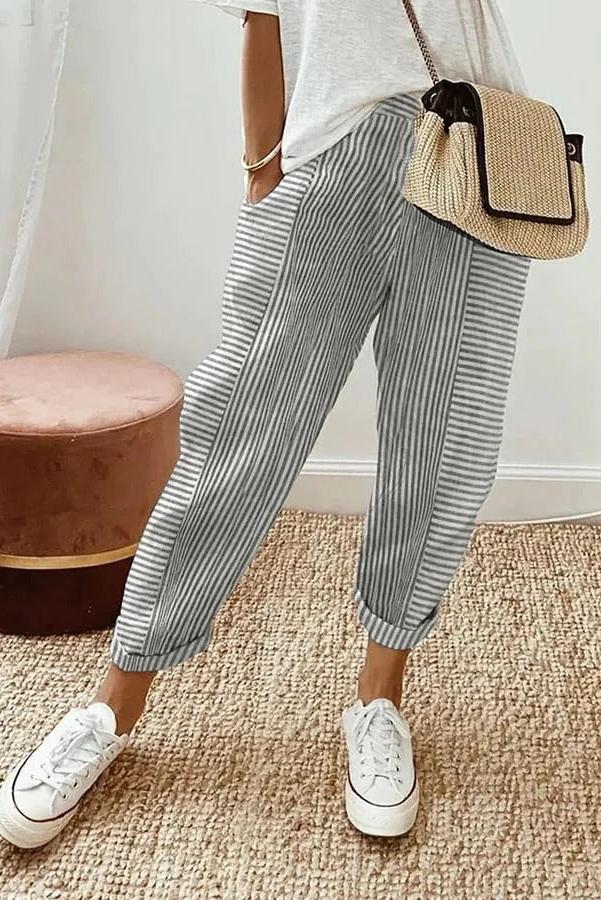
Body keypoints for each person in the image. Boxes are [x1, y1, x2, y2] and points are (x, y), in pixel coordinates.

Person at [0, 0, 530, 847]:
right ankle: (111, 707)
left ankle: (379, 699)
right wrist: (261, 170)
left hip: (477, 146)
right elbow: (262, 14)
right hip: (333, 144)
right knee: (235, 436)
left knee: (443, 448)